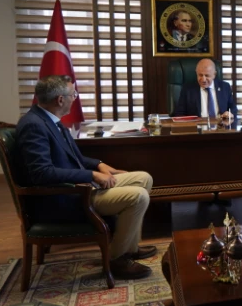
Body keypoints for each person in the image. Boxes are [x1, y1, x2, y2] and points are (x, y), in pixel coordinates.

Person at [15, 75, 156, 280]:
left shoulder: (50, 120)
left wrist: (99, 165)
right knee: (138, 196)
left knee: (143, 178)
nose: (75, 98)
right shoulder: (34, 125)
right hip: (65, 197)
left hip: (79, 186)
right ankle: (117, 260)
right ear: (60, 100)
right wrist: (92, 175)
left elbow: (75, 158)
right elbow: (41, 173)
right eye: (73, 94)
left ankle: (129, 247)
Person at [172, 58, 237, 123]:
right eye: (200, 75)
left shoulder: (225, 87)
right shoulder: (188, 89)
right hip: (197, 126)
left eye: (207, 75)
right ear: (196, 73)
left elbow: (233, 108)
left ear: (214, 74)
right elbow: (179, 113)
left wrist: (229, 113)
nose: (203, 79)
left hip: (220, 126)